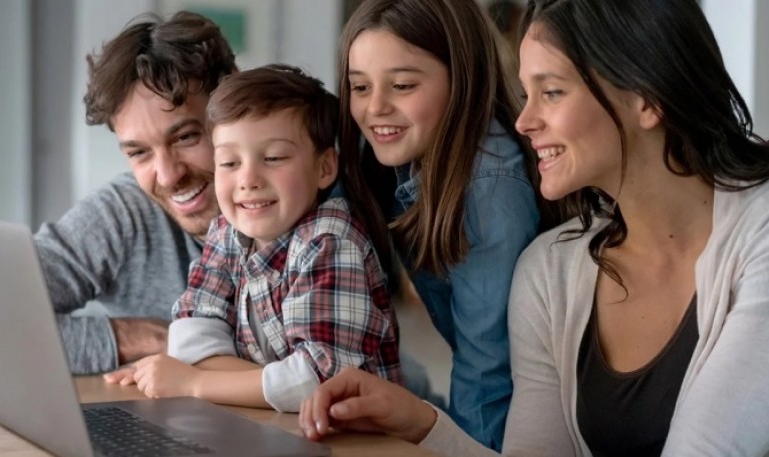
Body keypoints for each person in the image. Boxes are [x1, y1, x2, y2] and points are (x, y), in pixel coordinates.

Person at [300, 0, 769, 455]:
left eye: (552, 92)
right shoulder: (549, 271)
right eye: (526, 94)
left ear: (647, 98)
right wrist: (421, 423)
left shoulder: (758, 234)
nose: (523, 122)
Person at [0, 11, 237, 379]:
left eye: (186, 136)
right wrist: (137, 337)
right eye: (139, 152)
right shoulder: (125, 214)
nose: (168, 175)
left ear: (233, 110)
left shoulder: (312, 208)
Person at [122, 64, 403, 412]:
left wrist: (196, 383)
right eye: (228, 162)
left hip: (359, 443)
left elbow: (322, 384)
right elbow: (191, 338)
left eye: (273, 158)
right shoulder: (227, 230)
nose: (248, 179)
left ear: (324, 168)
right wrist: (272, 383)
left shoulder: (330, 242)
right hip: (273, 426)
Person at [334, 0, 541, 450]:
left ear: (461, 77)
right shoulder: (392, 153)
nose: (375, 109)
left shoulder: (490, 185)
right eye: (360, 87)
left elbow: (490, 369)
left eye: (403, 85)